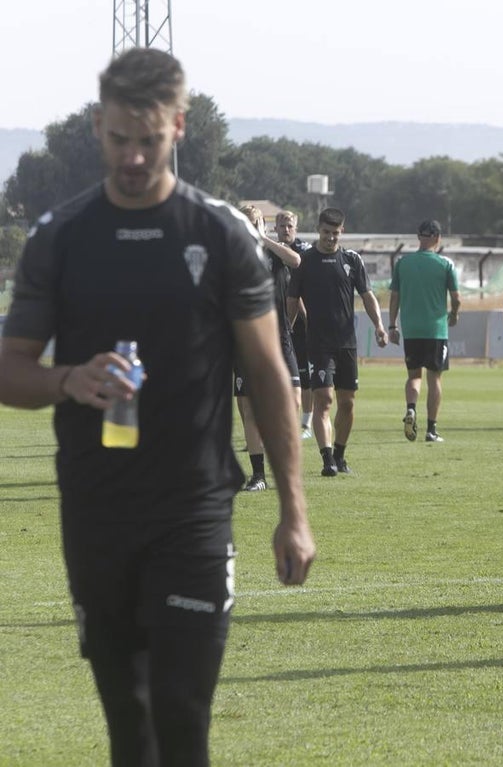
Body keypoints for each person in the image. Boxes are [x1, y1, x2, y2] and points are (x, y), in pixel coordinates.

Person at [0, 47, 315, 767]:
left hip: (192, 511)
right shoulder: (60, 236)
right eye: (119, 139)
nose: (134, 157)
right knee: (131, 725)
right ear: (97, 126)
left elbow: (269, 374)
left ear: (178, 126)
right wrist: (67, 379)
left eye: (149, 139)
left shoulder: (220, 234)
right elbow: (10, 368)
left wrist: (293, 511)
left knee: (181, 714)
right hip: (96, 509)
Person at [286, 207, 388, 477]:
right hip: (318, 344)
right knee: (324, 398)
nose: (330, 237)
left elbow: (367, 296)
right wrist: (287, 330)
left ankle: (340, 455)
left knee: (347, 403)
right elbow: (293, 300)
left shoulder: (352, 260)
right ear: (318, 230)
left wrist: (379, 326)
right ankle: (327, 458)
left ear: (342, 231)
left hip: (347, 343)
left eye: (335, 233)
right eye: (326, 232)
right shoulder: (305, 262)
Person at [234, 205, 303, 491]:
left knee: (294, 401)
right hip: (247, 339)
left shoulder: (275, 252)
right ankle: (259, 475)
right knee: (249, 409)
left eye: (255, 223)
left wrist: (264, 239)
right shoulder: (234, 254)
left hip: (280, 336)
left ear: (263, 224)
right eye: (246, 223)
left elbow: (296, 261)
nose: (250, 227)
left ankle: (286, 464)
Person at [388, 219, 461, 443]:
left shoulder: (403, 263)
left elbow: (394, 297)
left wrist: (392, 325)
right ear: (438, 238)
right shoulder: (445, 264)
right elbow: (456, 298)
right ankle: (431, 429)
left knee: (414, 376)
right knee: (434, 379)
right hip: (436, 330)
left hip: (411, 330)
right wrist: (454, 314)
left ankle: (411, 408)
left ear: (419, 237)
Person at [275, 210, 315, 439]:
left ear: (296, 229)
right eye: (282, 226)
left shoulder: (304, 252)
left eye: (290, 225)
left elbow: (301, 290)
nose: (286, 229)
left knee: (304, 375)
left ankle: (306, 424)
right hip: (279, 322)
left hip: (301, 324)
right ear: (275, 228)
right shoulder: (271, 250)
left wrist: (308, 315)